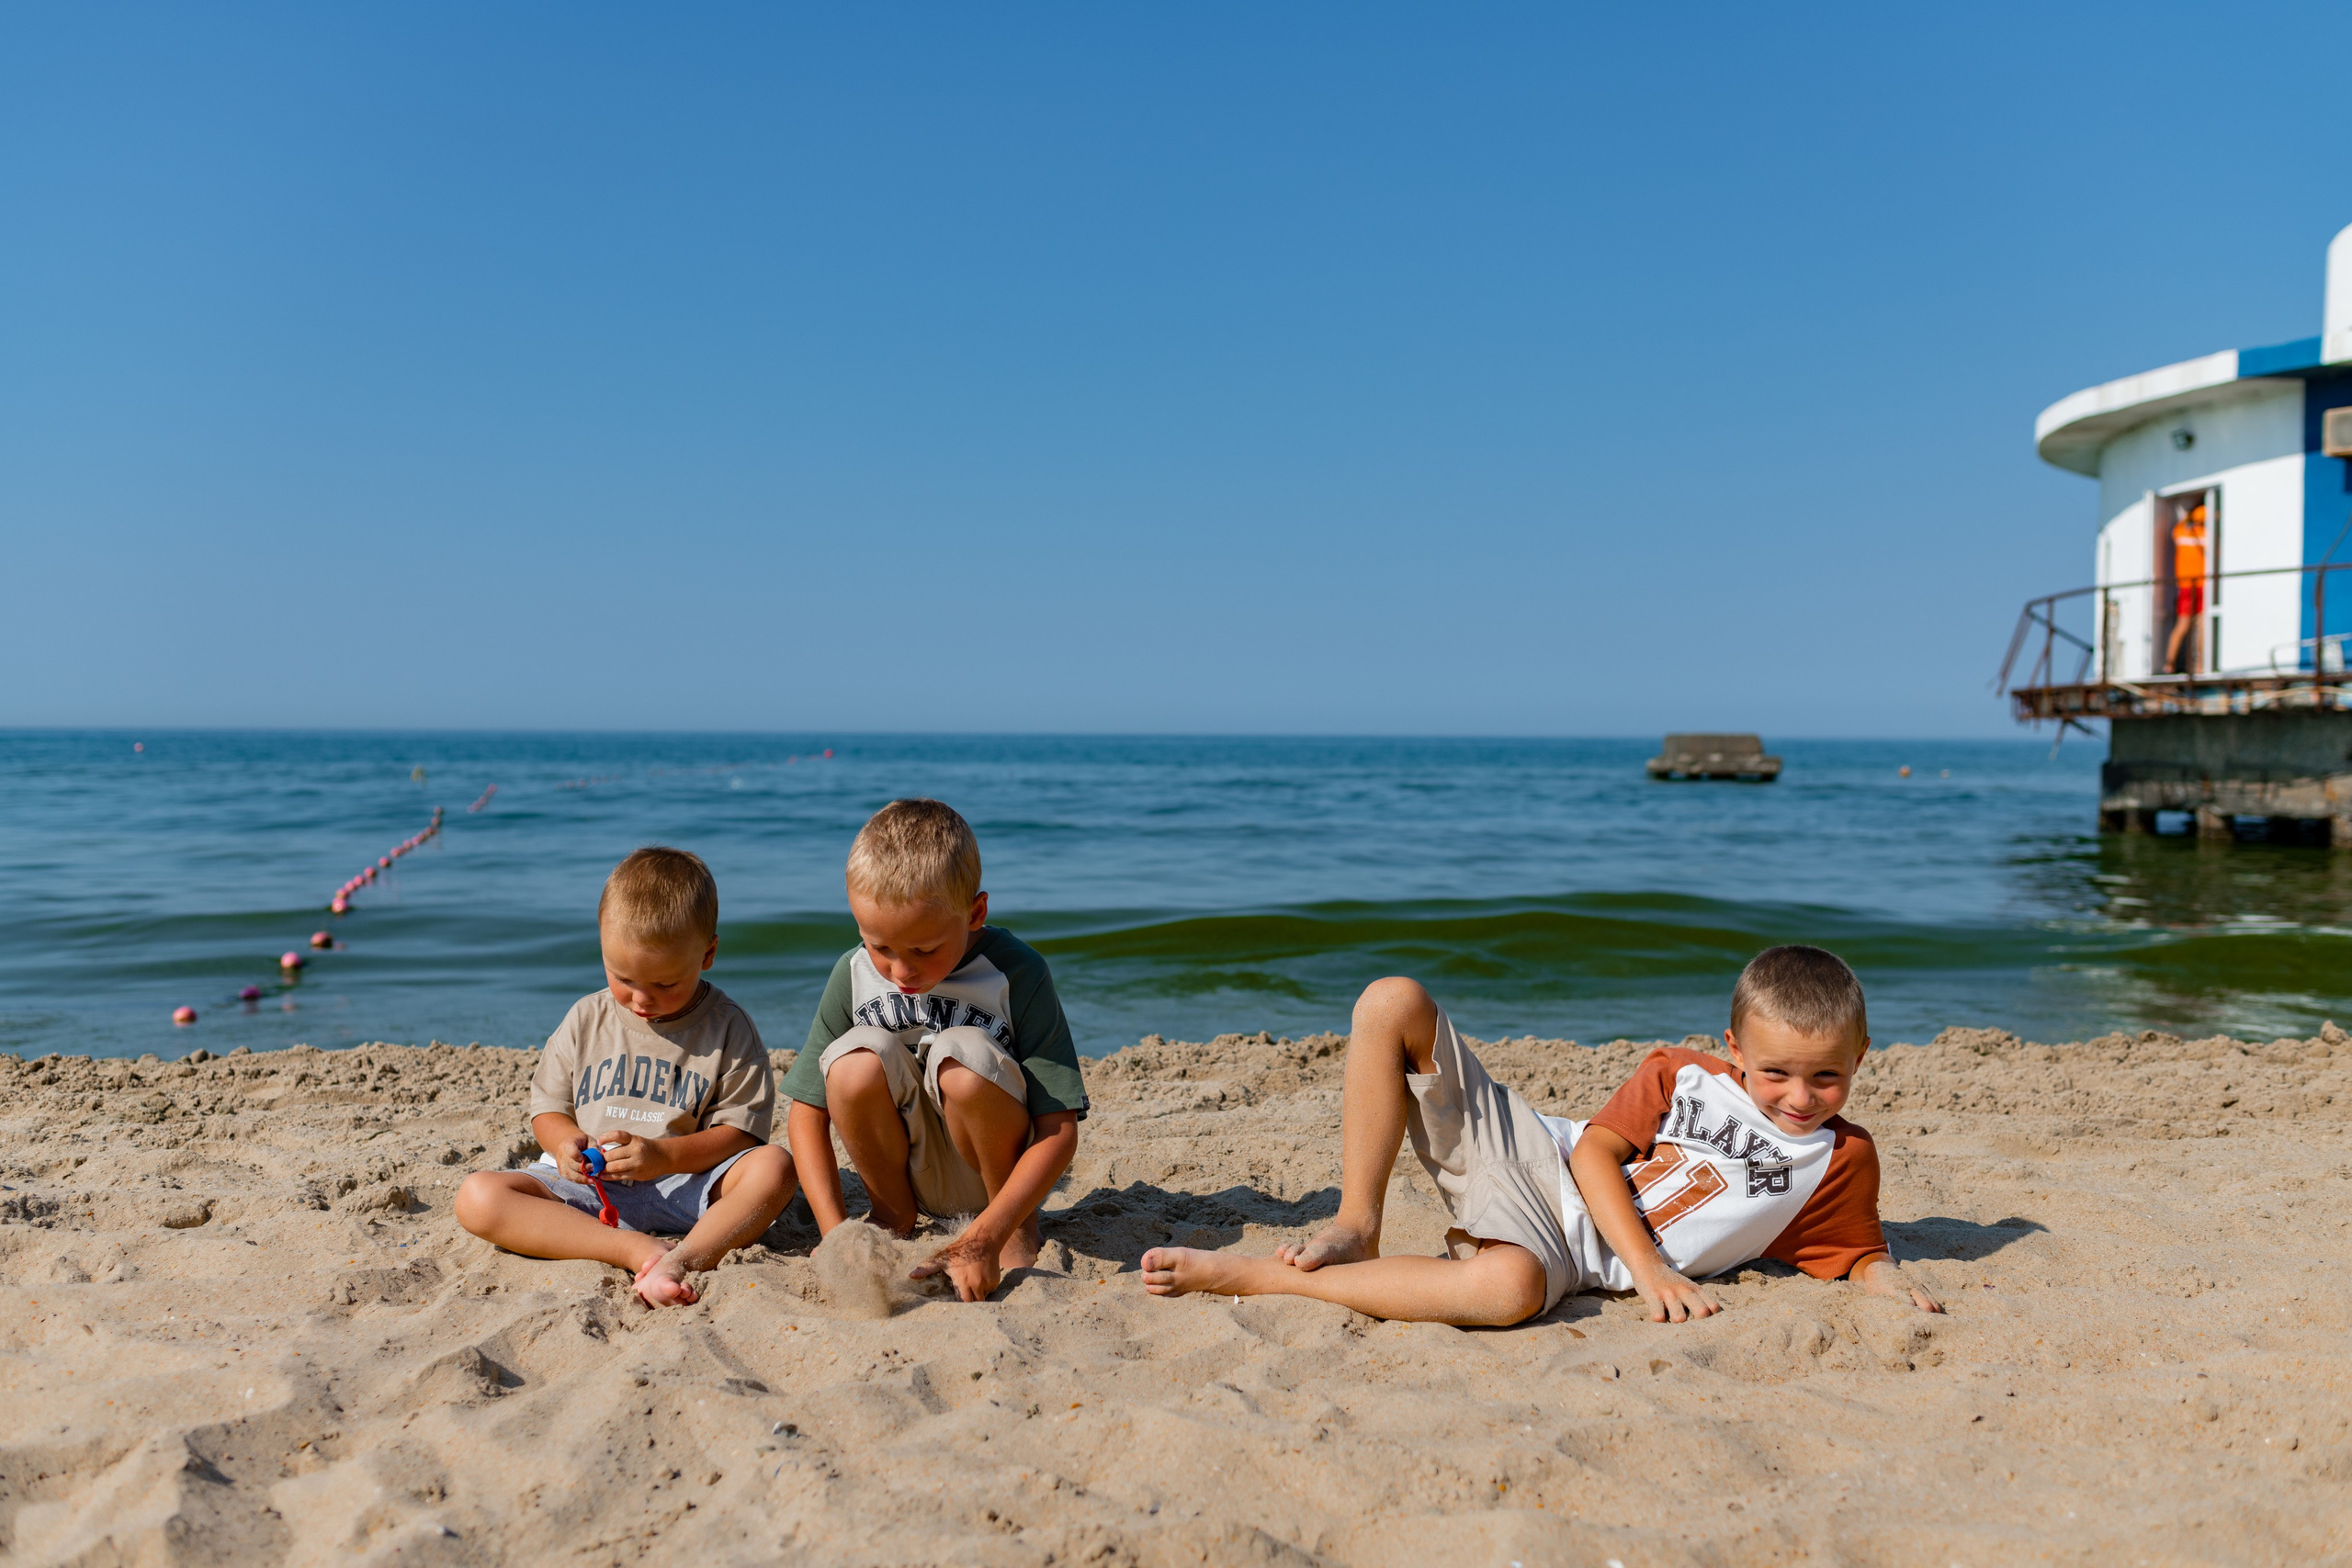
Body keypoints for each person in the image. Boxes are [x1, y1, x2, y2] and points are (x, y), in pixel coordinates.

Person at [1141, 945, 1941, 1326]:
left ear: (1860, 1058)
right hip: (1539, 1155)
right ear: (1734, 1048)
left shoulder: (1840, 1158)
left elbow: (1849, 1247)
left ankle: (1258, 1278)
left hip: (1565, 1256)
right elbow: (1595, 1150)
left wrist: (1882, 1279)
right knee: (1392, 1000)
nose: (1800, 1097)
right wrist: (1651, 1268)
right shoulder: (1682, 1074)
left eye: (1827, 1078)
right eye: (1776, 1073)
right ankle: (1358, 1223)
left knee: (1507, 1292)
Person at [455, 846, 794, 1307]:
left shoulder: (728, 1027)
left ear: (708, 953)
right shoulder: (586, 1017)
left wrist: (663, 1156)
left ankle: (686, 1258)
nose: (641, 998)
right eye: (623, 977)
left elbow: (740, 1135)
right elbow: (548, 1109)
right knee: (478, 1196)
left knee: (775, 1167)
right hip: (589, 1188)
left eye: (666, 984)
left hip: (684, 1187)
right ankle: (636, 1251)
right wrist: (564, 1143)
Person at [783, 798, 1088, 1302]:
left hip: (999, 1183)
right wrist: (834, 1231)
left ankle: (1013, 1232)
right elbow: (805, 1110)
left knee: (960, 1056)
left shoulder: (1017, 973)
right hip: (905, 1169)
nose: (901, 971)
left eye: (924, 950)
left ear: (975, 913)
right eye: (880, 946)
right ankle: (892, 1215)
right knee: (853, 1059)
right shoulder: (853, 973)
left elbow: (1059, 1130)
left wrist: (987, 1236)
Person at [2165, 500, 2210, 674]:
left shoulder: (2179, 530)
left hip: (2187, 584)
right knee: (2200, 625)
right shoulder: (2206, 534)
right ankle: (2199, 666)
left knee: (2184, 625)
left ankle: (2169, 664)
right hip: (2199, 584)